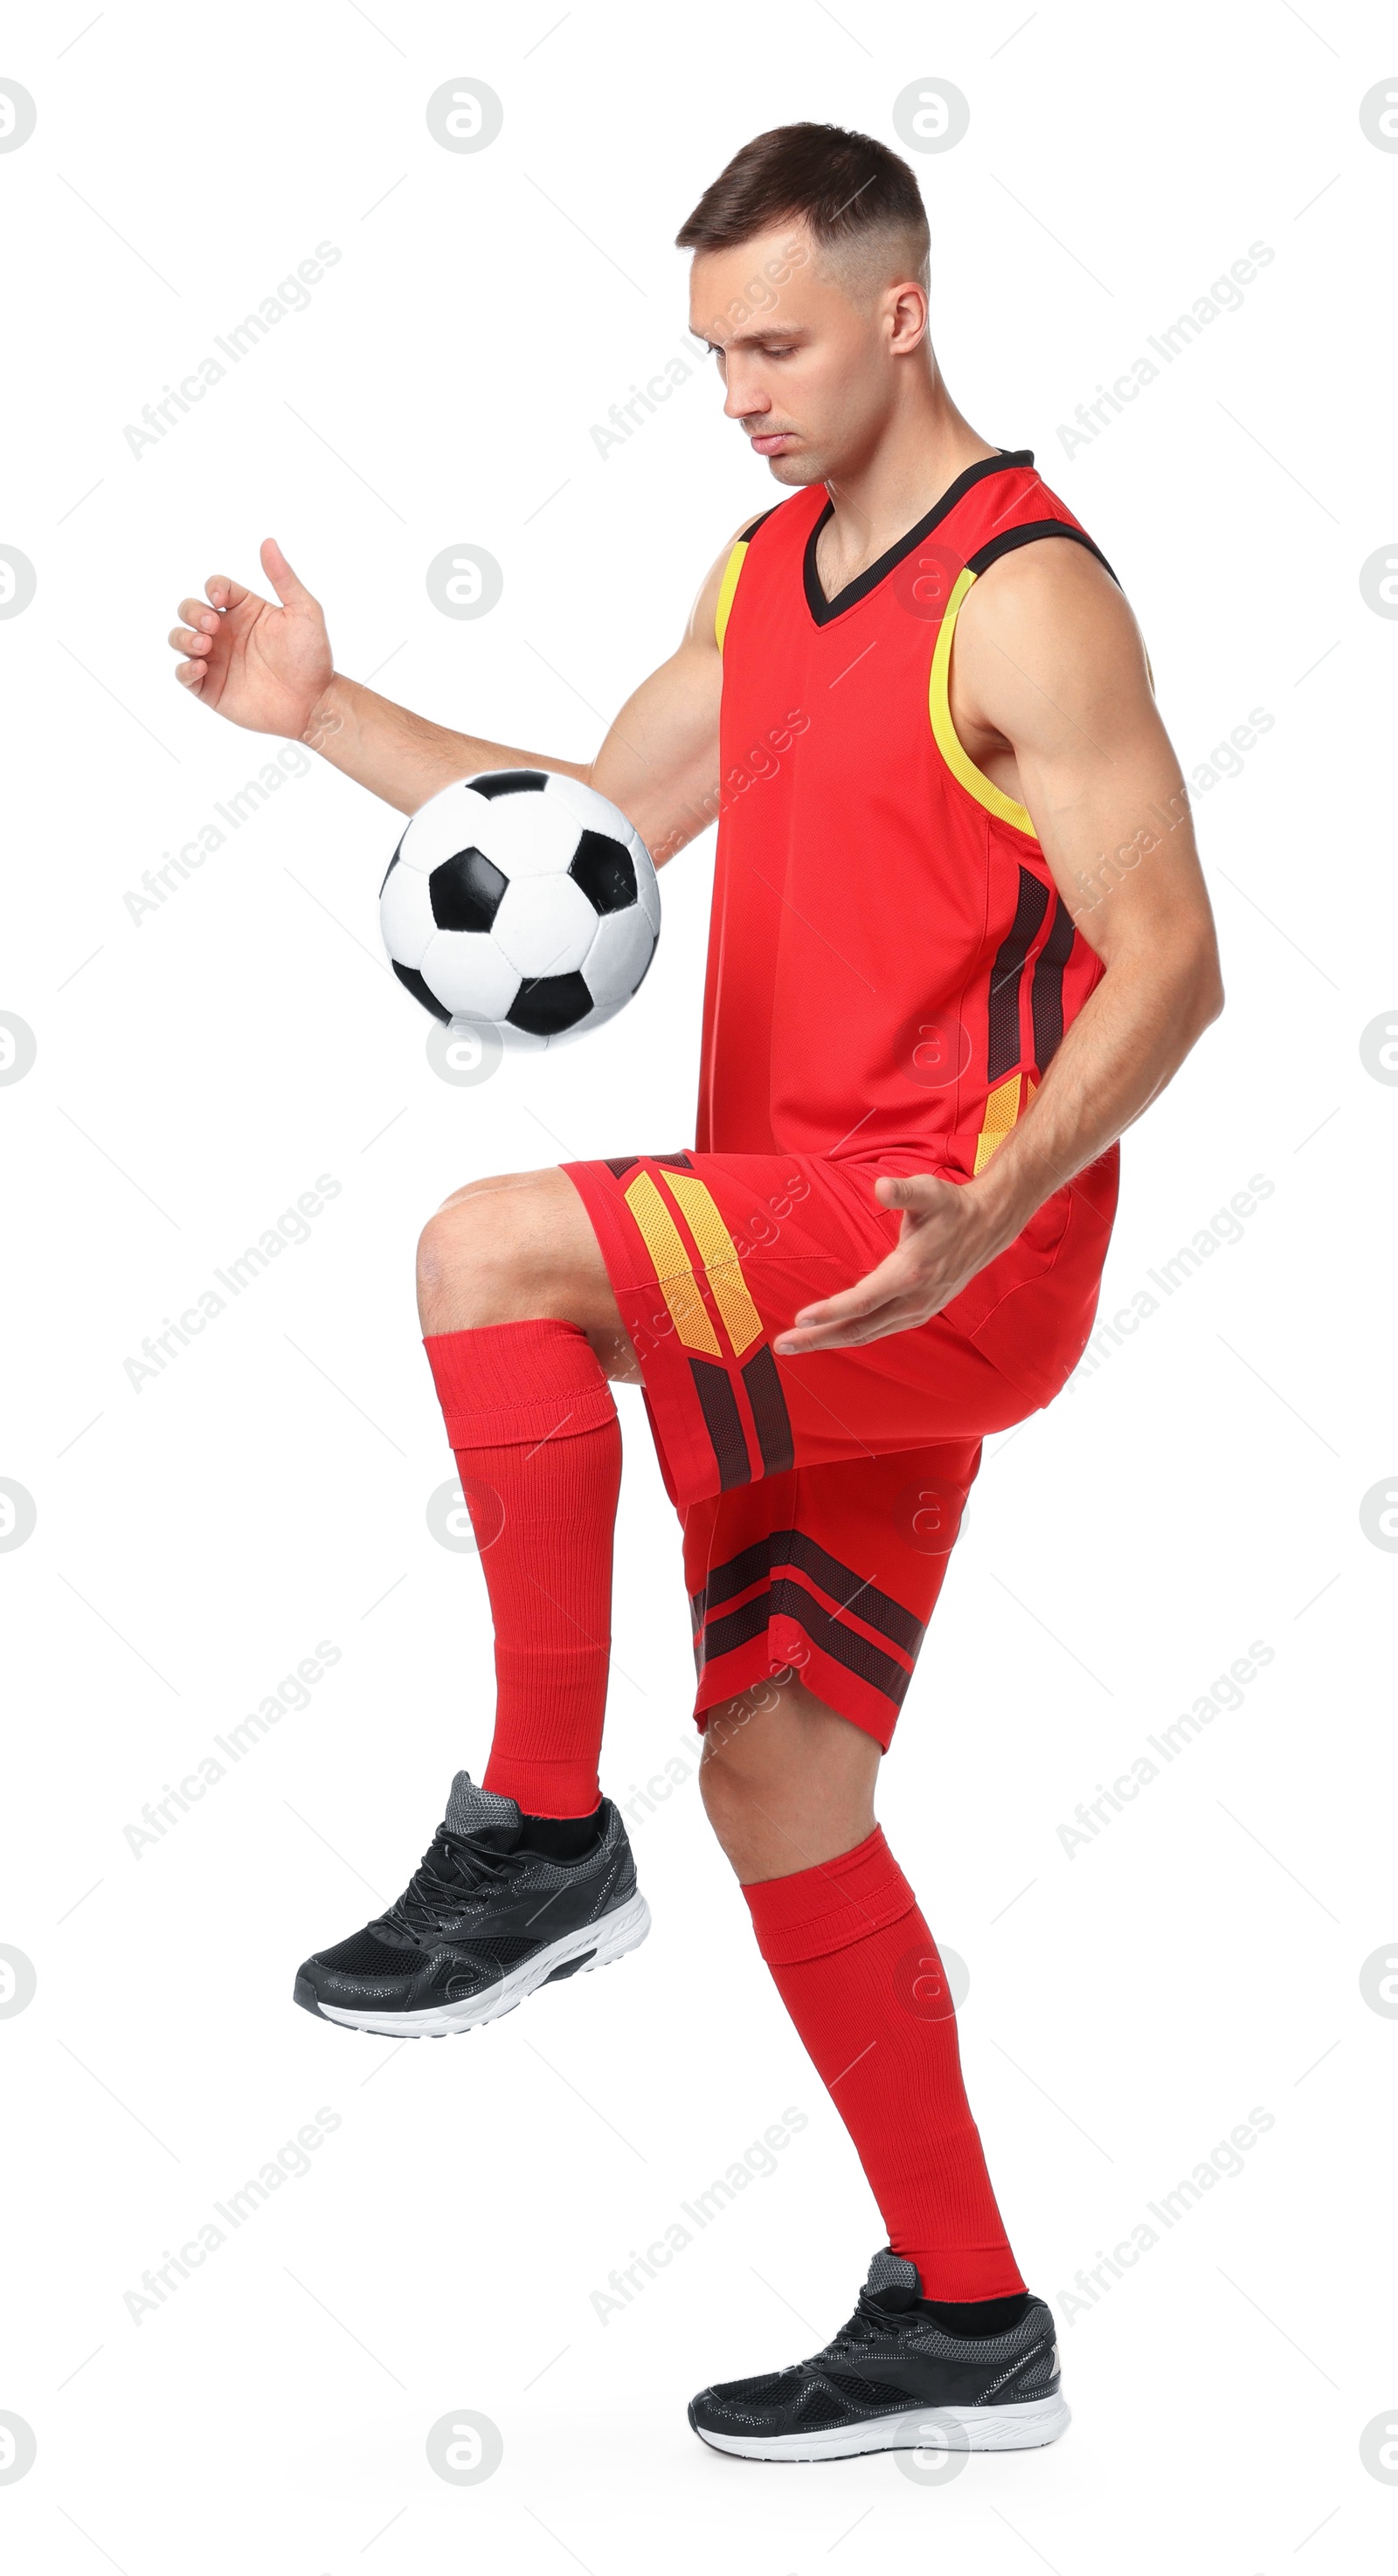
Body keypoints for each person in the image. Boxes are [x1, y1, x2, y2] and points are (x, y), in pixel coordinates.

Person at [167, 121, 1222, 2462]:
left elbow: (1179, 963)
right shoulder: (765, 576)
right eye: (711, 350)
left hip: (954, 1228)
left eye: (774, 339)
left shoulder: (1027, 594)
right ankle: (967, 2309)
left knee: (482, 1247)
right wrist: (327, 716)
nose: (738, 387)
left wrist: (996, 1185)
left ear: (899, 313)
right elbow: (578, 830)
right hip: (811, 1249)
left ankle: (540, 1825)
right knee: (782, 1779)